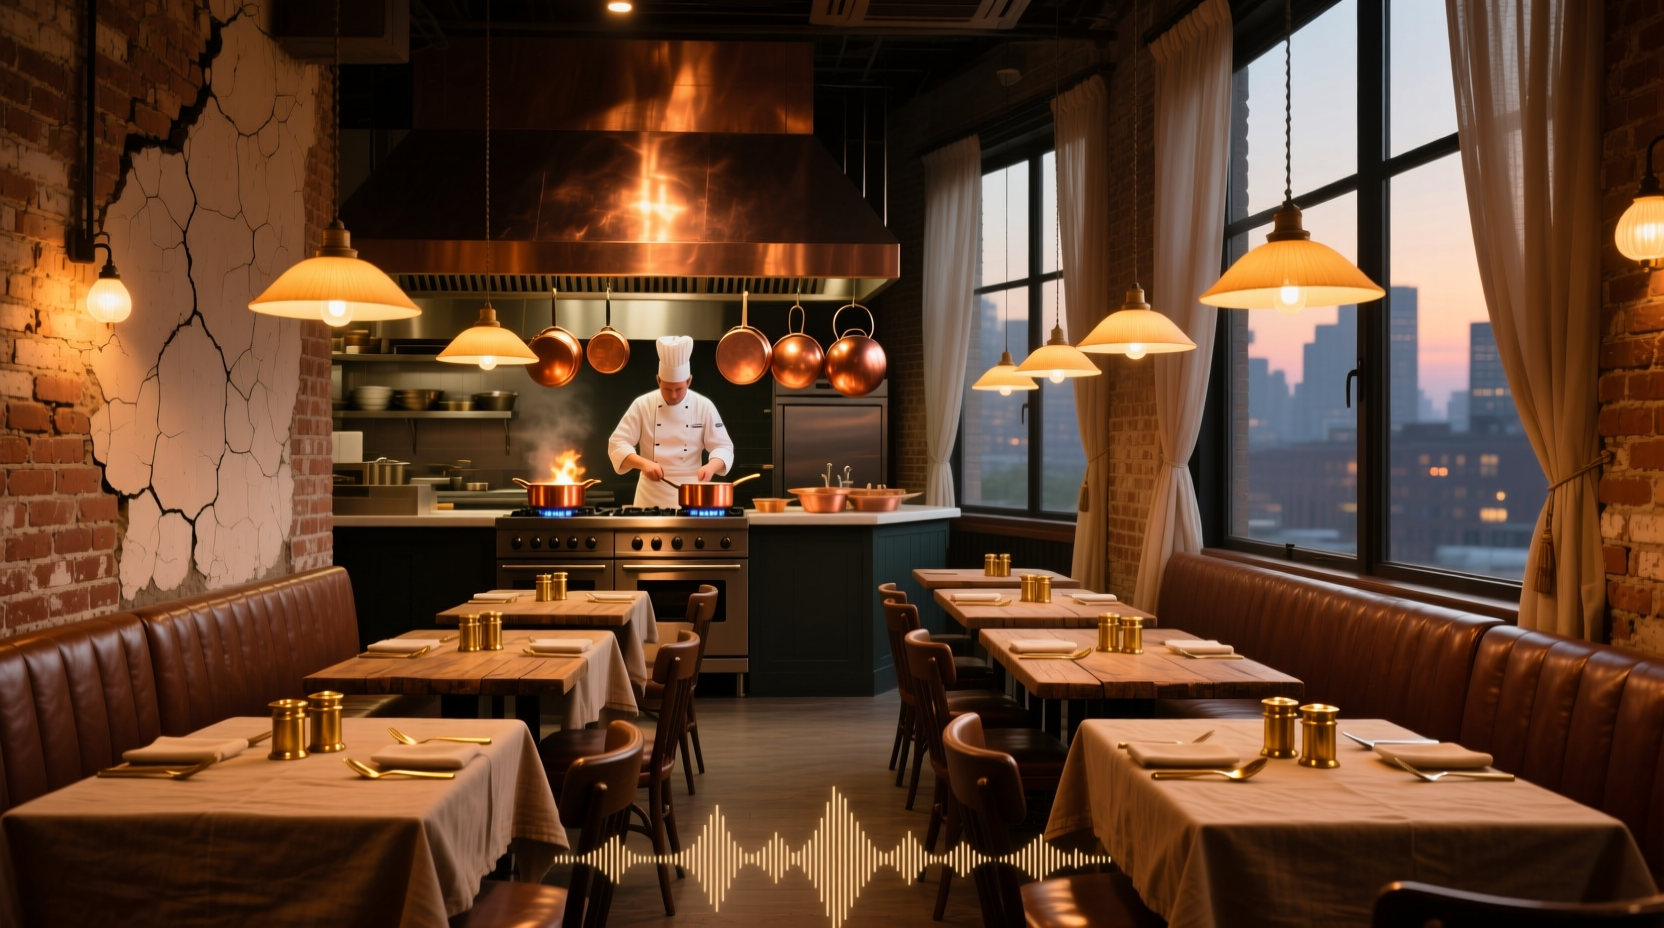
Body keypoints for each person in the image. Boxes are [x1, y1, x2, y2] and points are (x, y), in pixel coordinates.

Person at [607, 335, 734, 508]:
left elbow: (723, 447)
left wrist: (711, 466)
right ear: (658, 380)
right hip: (650, 496)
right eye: (667, 388)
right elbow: (617, 444)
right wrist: (644, 464)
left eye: (679, 389)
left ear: (689, 381)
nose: (673, 395)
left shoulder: (703, 405)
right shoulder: (642, 404)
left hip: (692, 493)